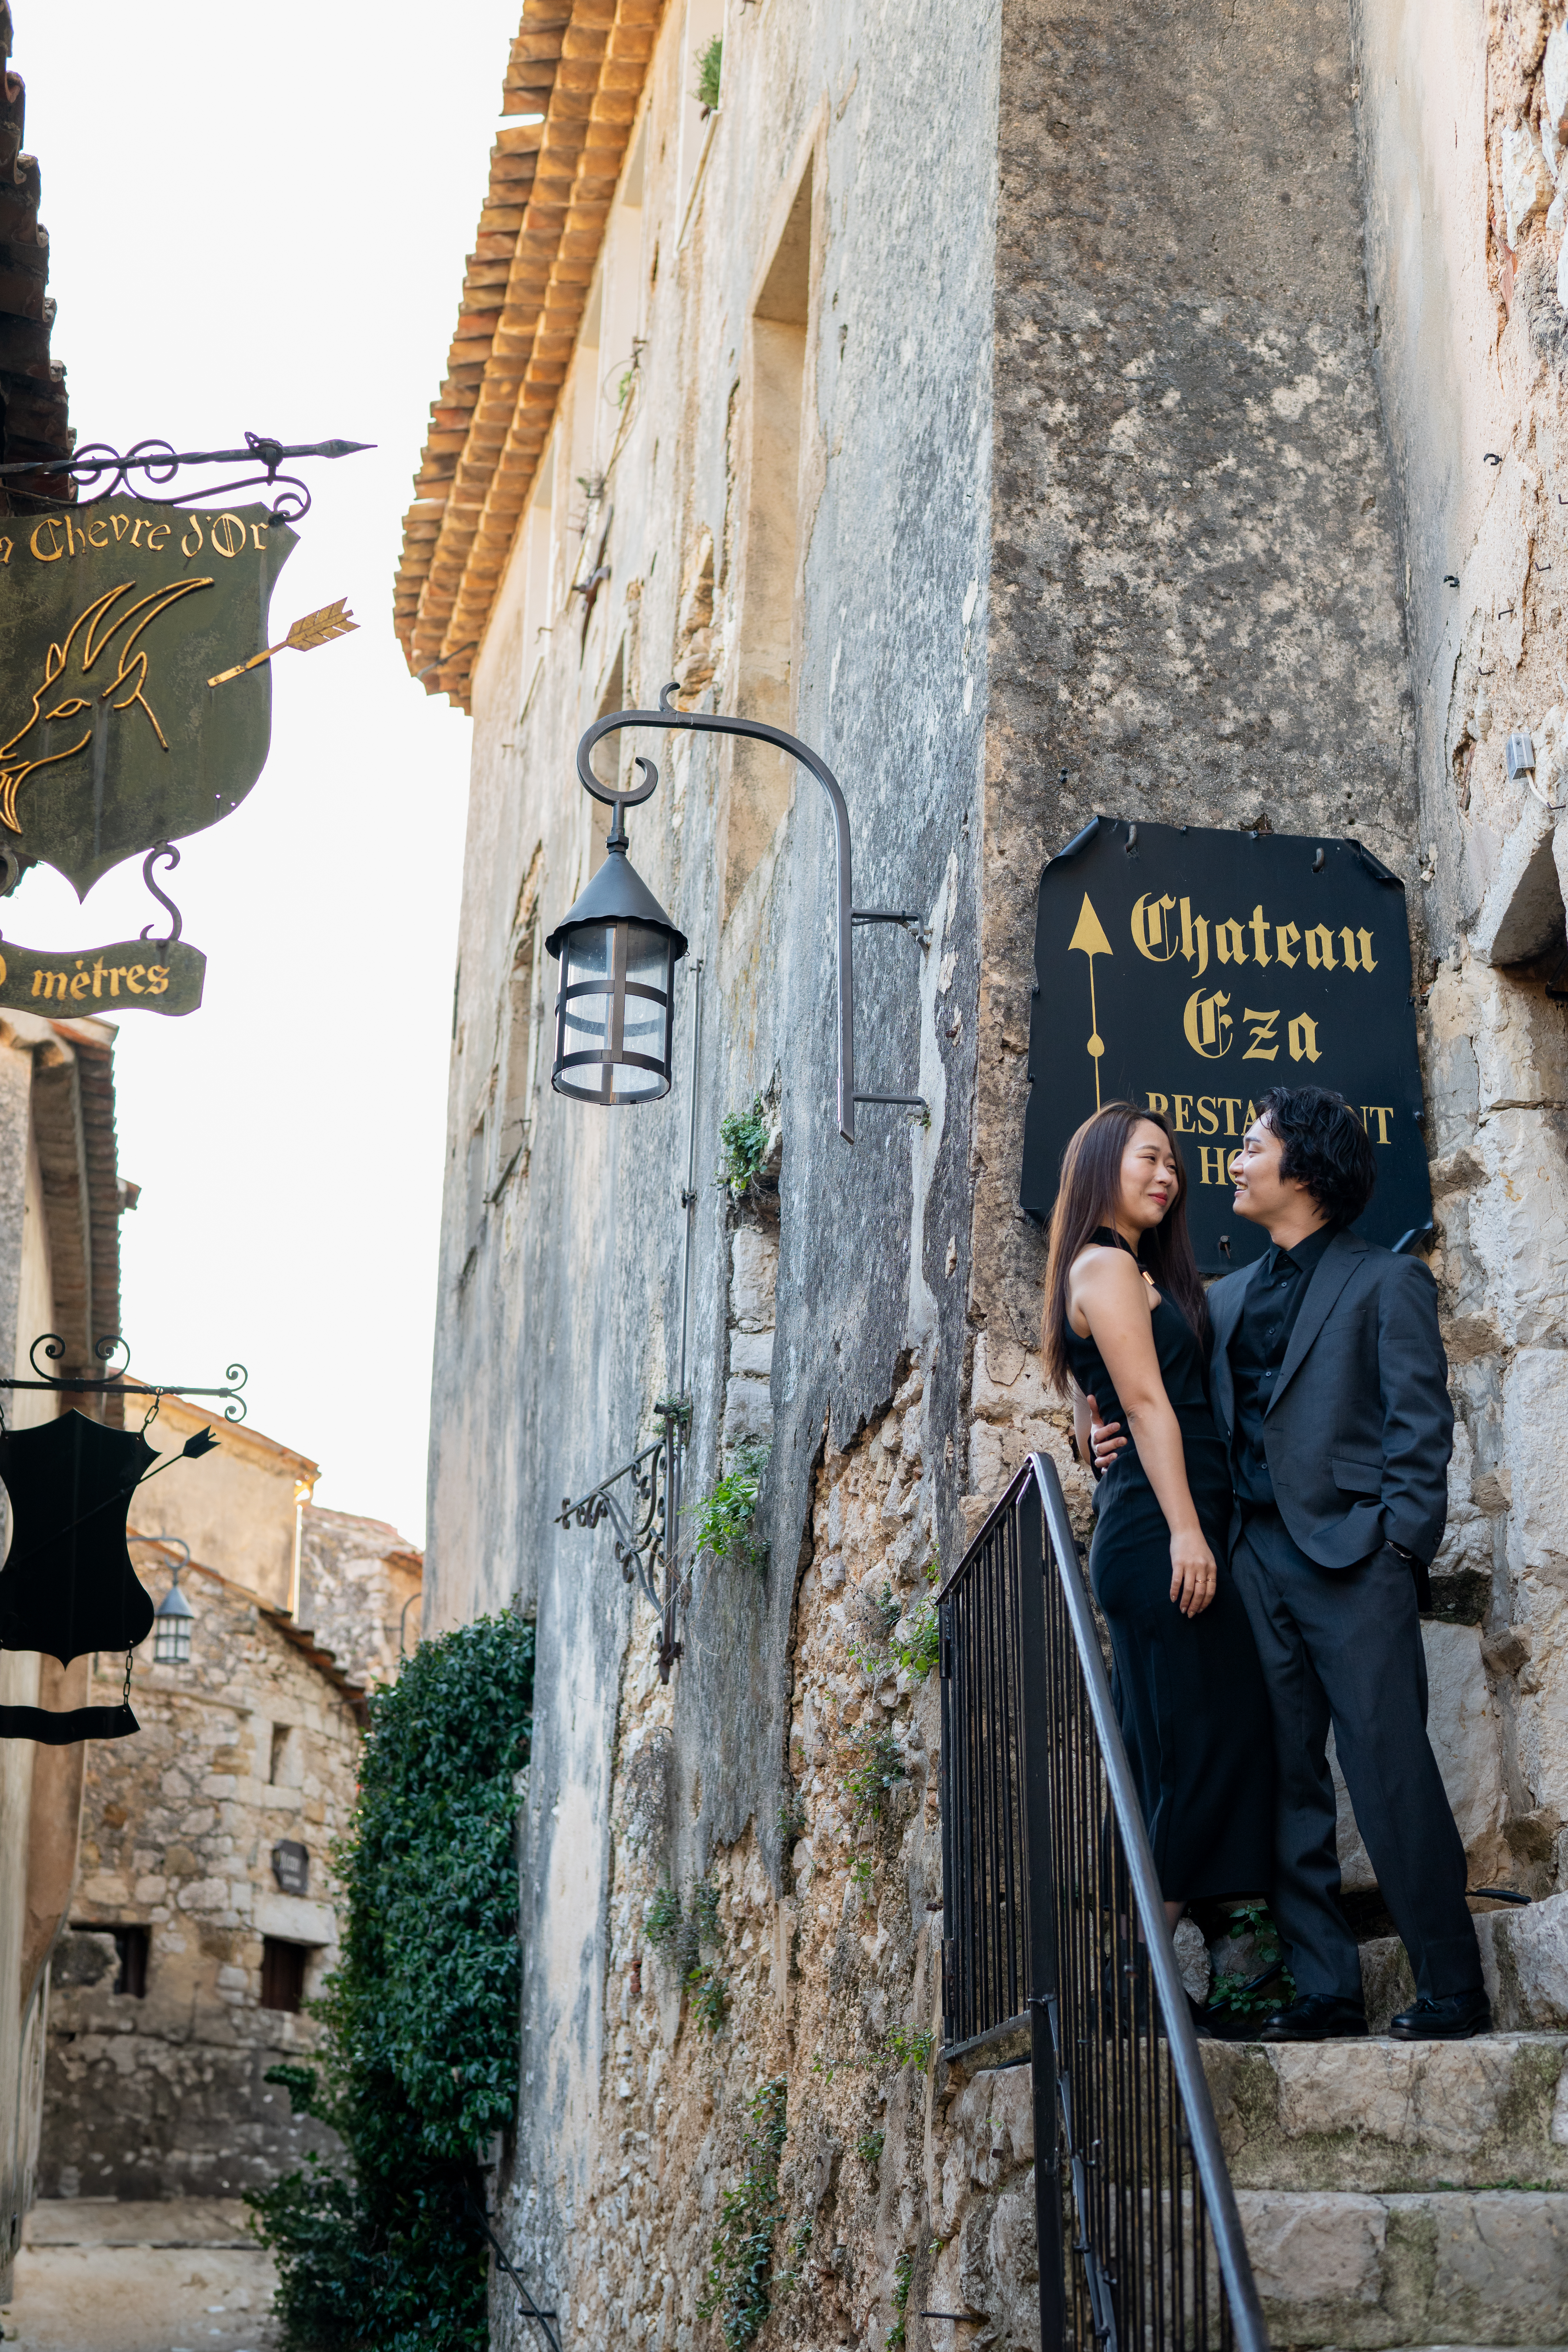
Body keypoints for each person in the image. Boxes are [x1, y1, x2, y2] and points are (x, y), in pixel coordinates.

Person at [1094, 1086, 1487, 2042]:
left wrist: (1399, 1547)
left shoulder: (1389, 1282)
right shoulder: (1215, 1299)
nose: (1231, 1160)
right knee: (1286, 1779)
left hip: (1357, 1561)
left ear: (1302, 1167)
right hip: (1248, 1563)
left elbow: (1420, 1432)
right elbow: (1152, 1387)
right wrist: (1095, 1431)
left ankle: (1452, 1987)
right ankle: (1326, 1988)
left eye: (1251, 1144)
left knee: (1389, 1765)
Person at [1042, 1101, 1275, 1935]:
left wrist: (1084, 1413)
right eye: (1149, 1159)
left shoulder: (1118, 1272)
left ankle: (1127, 1958)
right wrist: (1186, 1528)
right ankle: (1133, 1973)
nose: (1168, 1176)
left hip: (1164, 1519)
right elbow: (1143, 1405)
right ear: (1103, 1164)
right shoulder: (1104, 1270)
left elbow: (1096, 1398)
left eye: (1174, 1165)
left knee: (1172, 1744)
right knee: (1199, 1744)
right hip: (1158, 1532)